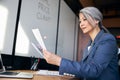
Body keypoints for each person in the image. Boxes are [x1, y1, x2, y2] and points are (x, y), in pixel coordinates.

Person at [42, 7, 120, 80]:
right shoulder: (89, 44)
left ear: (96, 20)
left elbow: (94, 70)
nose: (81, 24)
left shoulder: (107, 40)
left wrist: (59, 61)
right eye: (80, 21)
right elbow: (84, 69)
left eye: (85, 19)